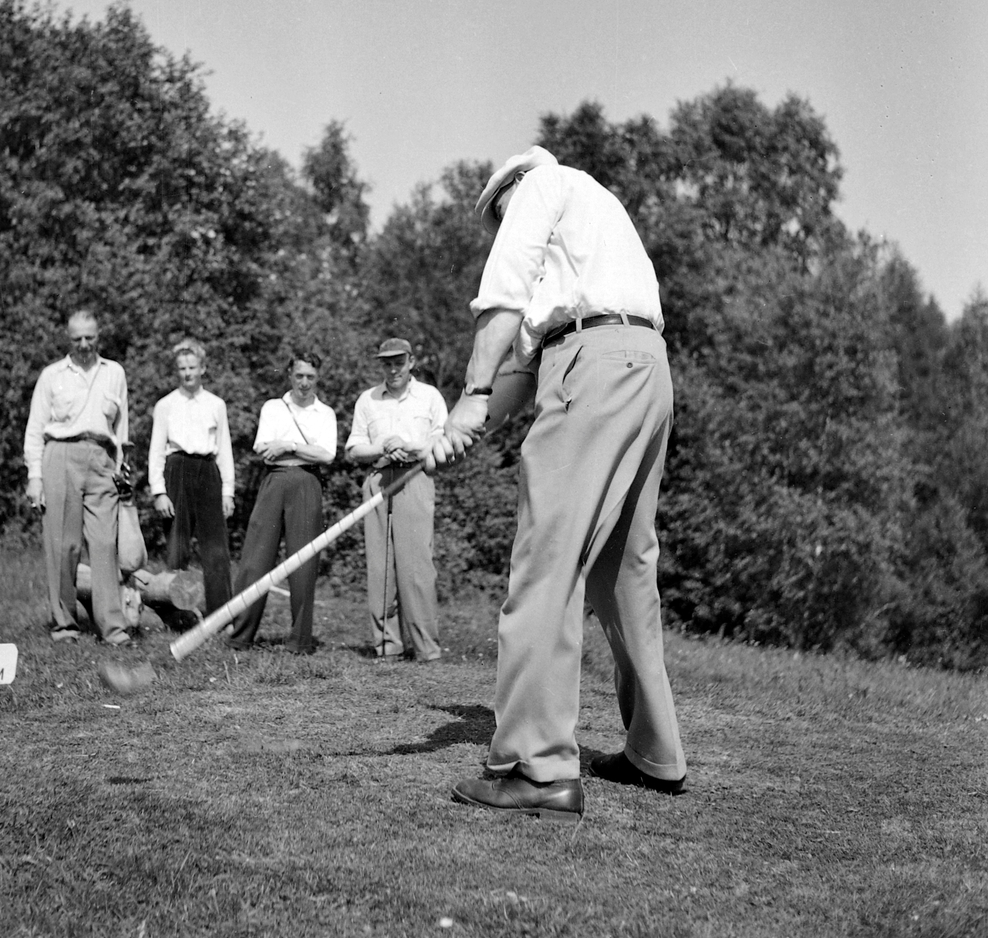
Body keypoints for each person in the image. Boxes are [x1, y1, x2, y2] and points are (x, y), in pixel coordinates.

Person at [427, 145, 687, 821]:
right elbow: (530, 363)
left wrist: (469, 392)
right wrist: (467, 421)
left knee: (544, 563)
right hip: (644, 367)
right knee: (621, 568)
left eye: (496, 218)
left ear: (510, 189)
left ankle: (532, 767)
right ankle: (655, 752)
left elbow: (503, 296)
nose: (499, 230)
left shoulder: (539, 188)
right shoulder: (596, 208)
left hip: (594, 369)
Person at [24, 309, 131, 646]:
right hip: (61, 456)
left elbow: (122, 428)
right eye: (77, 339)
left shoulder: (114, 373)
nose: (84, 344)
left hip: (102, 460)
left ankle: (113, 627)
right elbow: (34, 431)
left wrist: (122, 468)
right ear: (68, 339)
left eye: (90, 337)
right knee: (63, 544)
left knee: (104, 544)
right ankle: (65, 623)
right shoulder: (52, 375)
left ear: (99, 336)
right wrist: (35, 477)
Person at [227, 352, 337, 654]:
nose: (304, 383)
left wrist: (287, 445)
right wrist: (304, 449)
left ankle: (300, 640)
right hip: (275, 481)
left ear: (318, 378)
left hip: (307, 483)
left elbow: (327, 455)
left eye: (310, 377)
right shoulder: (273, 408)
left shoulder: (324, 413)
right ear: (289, 375)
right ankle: (241, 635)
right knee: (255, 558)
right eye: (299, 376)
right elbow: (264, 450)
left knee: (303, 562)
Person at [346, 338, 448, 662]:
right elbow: (353, 448)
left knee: (417, 566)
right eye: (387, 363)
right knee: (380, 566)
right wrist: (382, 447)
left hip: (416, 477)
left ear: (411, 362)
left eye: (399, 362)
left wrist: (410, 445)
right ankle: (388, 647)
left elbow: (442, 440)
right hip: (378, 479)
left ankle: (425, 648)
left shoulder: (430, 397)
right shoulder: (368, 400)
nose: (393, 369)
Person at [148, 338, 235, 615]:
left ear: (203, 368)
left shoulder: (216, 404)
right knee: (177, 543)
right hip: (177, 470)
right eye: (182, 368)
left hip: (208, 471)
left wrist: (228, 491)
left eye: (192, 367)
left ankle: (221, 613)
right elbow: (156, 451)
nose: (187, 373)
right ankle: (176, 612)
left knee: (216, 547)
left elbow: (224, 449)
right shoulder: (165, 405)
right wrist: (159, 491)